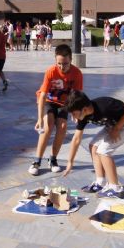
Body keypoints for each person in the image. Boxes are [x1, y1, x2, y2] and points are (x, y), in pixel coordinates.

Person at [62, 90, 124, 198]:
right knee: (93, 146)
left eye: (73, 113)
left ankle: (115, 188)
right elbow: (76, 139)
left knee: (104, 151)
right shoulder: (83, 116)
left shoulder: (106, 106)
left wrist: (117, 128)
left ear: (84, 109)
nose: (72, 118)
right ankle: (100, 182)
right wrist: (70, 162)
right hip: (111, 125)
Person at [28, 44, 83, 175]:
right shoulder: (51, 71)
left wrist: (75, 112)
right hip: (49, 101)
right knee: (48, 126)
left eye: (65, 64)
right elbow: (42, 95)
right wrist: (40, 118)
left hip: (65, 103)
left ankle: (53, 159)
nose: (62, 67)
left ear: (71, 60)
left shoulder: (76, 73)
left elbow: (77, 95)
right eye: (59, 63)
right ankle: (37, 160)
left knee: (63, 127)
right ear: (55, 60)